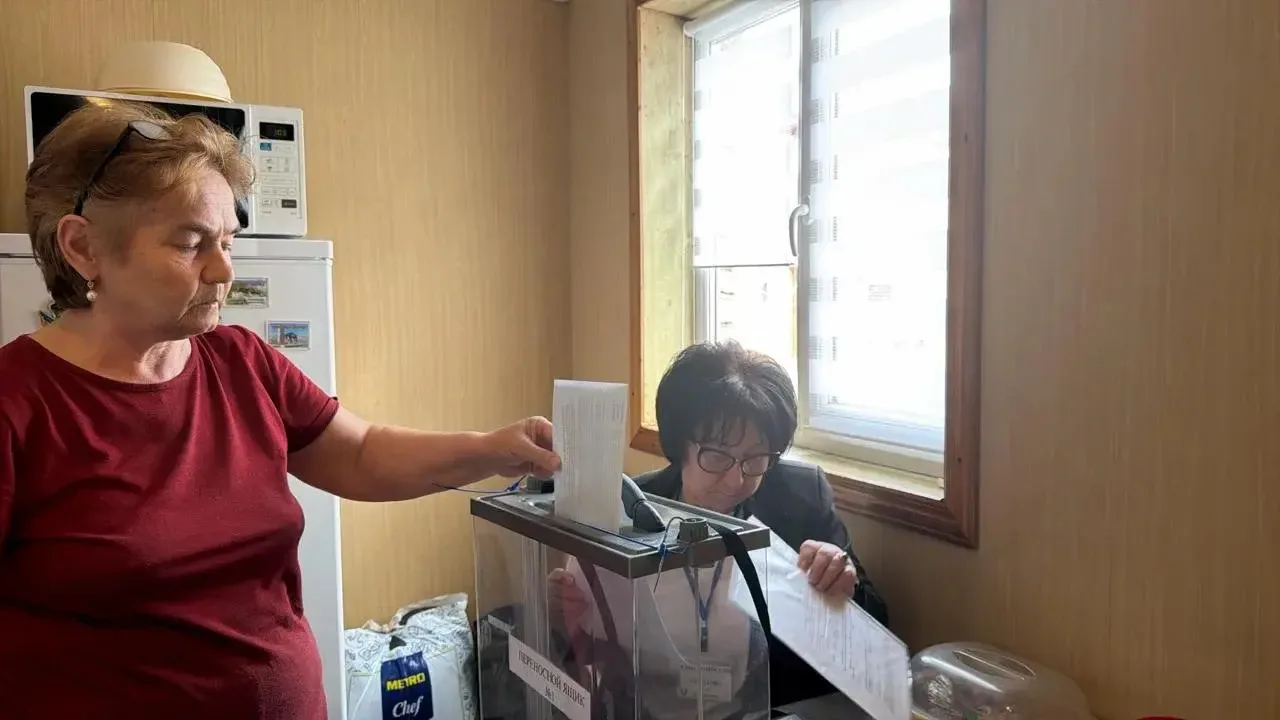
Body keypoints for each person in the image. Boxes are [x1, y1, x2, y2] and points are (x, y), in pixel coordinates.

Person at [0, 101, 561, 719]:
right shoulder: (17, 402)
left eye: (227, 240)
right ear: (83, 247)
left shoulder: (241, 361)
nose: (224, 269)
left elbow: (361, 453)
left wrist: (492, 448)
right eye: (189, 243)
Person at [632, 340, 889, 708]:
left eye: (755, 459)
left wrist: (844, 583)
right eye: (717, 456)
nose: (736, 480)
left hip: (772, 705)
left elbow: (876, 627)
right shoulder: (636, 508)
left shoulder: (801, 498)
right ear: (678, 445)